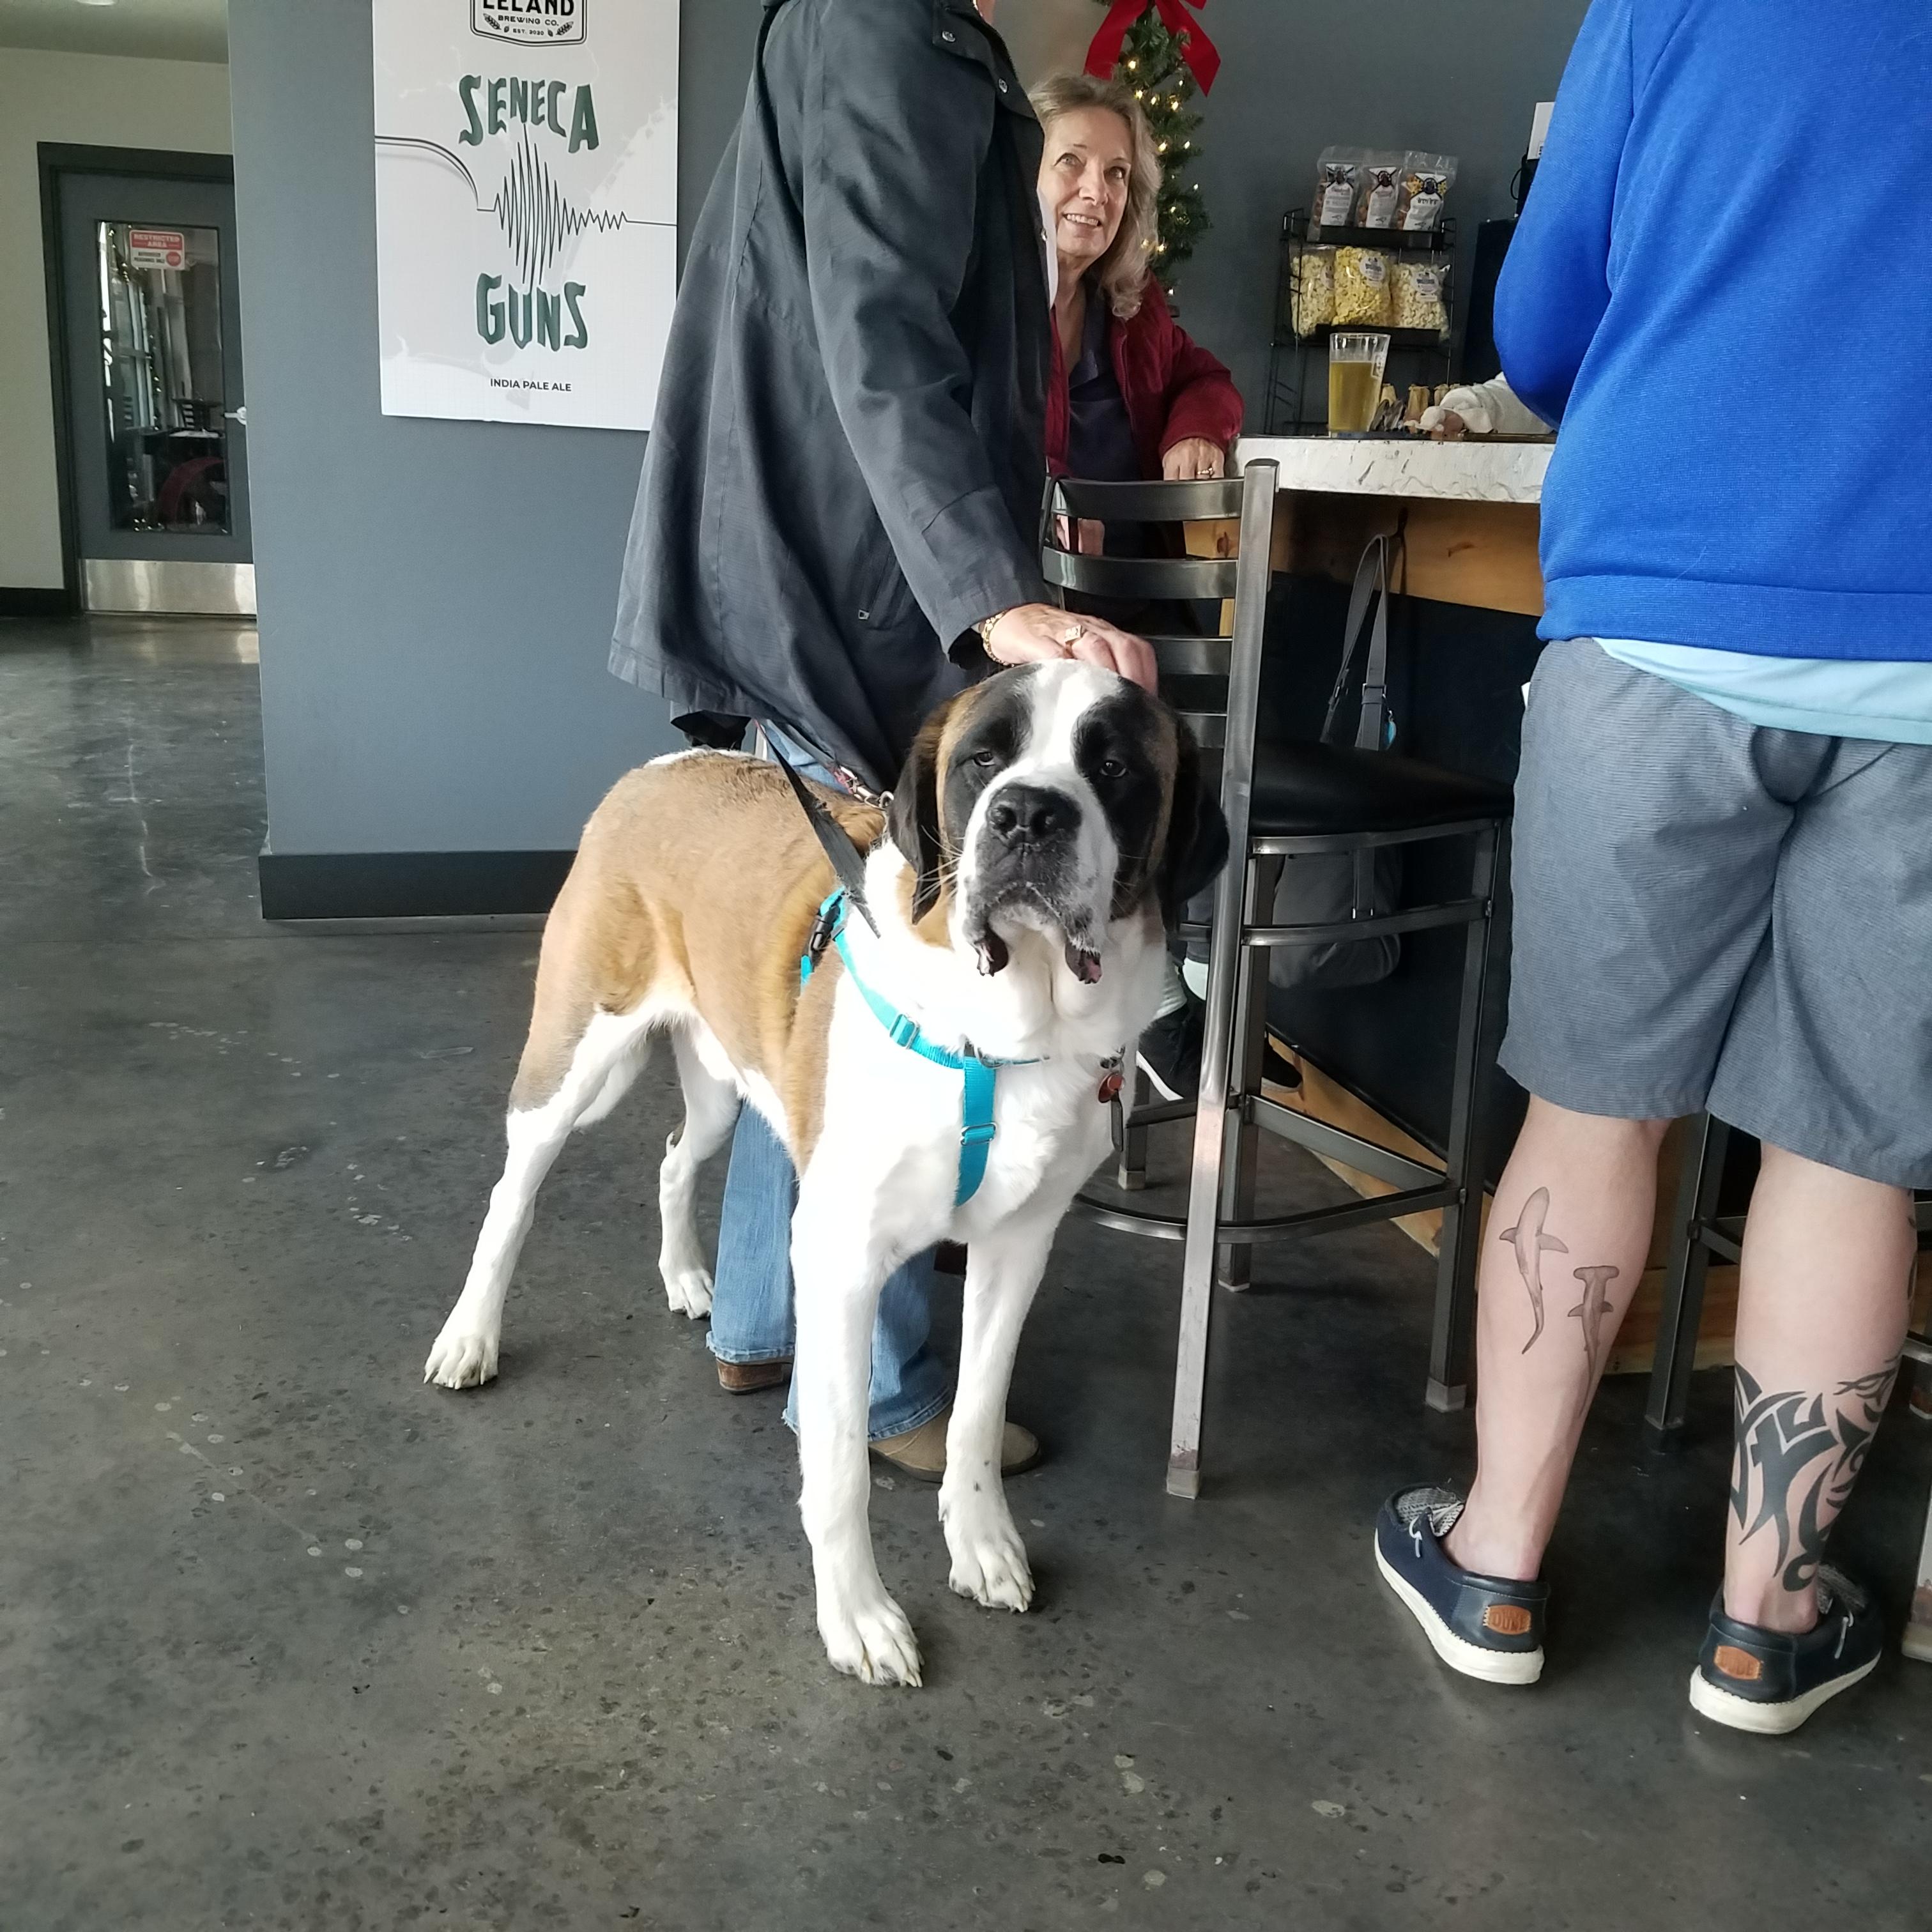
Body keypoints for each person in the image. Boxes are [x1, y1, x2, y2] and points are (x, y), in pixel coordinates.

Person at [1374, 0, 1932, 1735]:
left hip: (1667, 610)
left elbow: (1536, 330)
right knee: (1849, 1144)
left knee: (1595, 1108)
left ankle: (1497, 1563)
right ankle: (1764, 1627)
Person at [608, 0, 1155, 1480]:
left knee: (835, 966)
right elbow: (881, 336)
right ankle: (888, 1387)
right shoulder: (886, 32)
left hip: (817, 574)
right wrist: (993, 601)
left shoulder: (901, 35)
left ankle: (763, 1320)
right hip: (837, 594)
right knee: (896, 993)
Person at [1031, 71, 1243, 1098]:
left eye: (1116, 173)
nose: (1095, 189)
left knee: (1204, 722)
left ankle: (1179, 963)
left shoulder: (1135, 310)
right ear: (1022, 172)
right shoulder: (990, 307)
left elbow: (1206, 376)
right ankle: (1149, 992)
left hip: (1140, 618)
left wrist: (1199, 421)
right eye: (1071, 160)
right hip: (1035, 619)